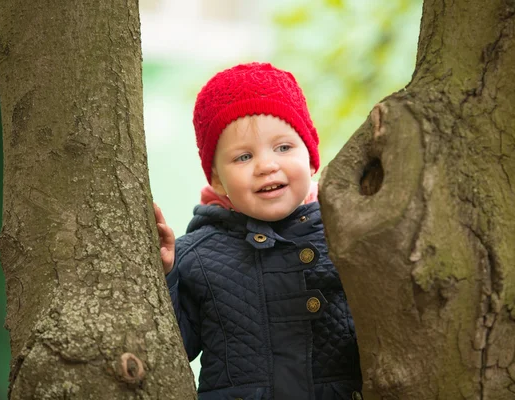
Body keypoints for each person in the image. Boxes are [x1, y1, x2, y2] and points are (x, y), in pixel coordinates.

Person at [155, 62, 362, 400]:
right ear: (217, 179)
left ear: (311, 159)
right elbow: (171, 350)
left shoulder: (346, 237)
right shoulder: (196, 257)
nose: (267, 165)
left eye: (284, 147)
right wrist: (165, 278)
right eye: (243, 157)